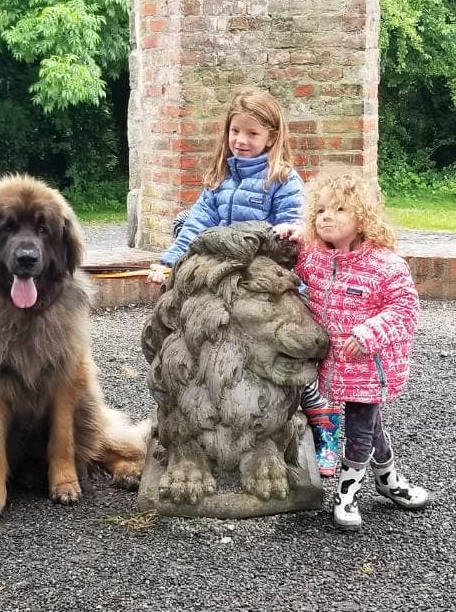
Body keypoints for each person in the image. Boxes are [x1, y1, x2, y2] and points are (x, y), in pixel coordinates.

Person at [146, 87, 341, 473]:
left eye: (252, 133)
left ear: (272, 136)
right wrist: (170, 262)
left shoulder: (282, 179)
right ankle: (186, 418)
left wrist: (286, 233)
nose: (242, 140)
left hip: (262, 273)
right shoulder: (219, 178)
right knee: (180, 333)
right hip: (220, 277)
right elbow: (196, 227)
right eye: (236, 131)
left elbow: (294, 224)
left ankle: (320, 421)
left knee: (290, 350)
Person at [279, 165, 429, 530]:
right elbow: (291, 265)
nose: (327, 217)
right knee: (372, 427)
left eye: (339, 209)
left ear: (362, 218)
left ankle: (346, 494)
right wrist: (292, 236)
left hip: (370, 365)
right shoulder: (315, 259)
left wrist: (367, 334)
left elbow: (405, 308)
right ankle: (389, 481)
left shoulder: (385, 265)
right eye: (320, 210)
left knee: (360, 428)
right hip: (336, 364)